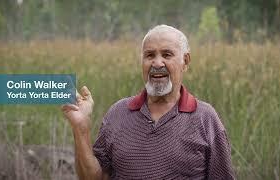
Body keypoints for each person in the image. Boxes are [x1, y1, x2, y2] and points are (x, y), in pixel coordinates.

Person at [62, 24, 235, 180]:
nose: (157, 63)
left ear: (185, 61)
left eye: (167, 54)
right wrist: (81, 128)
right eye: (150, 55)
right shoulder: (118, 114)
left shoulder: (206, 119)